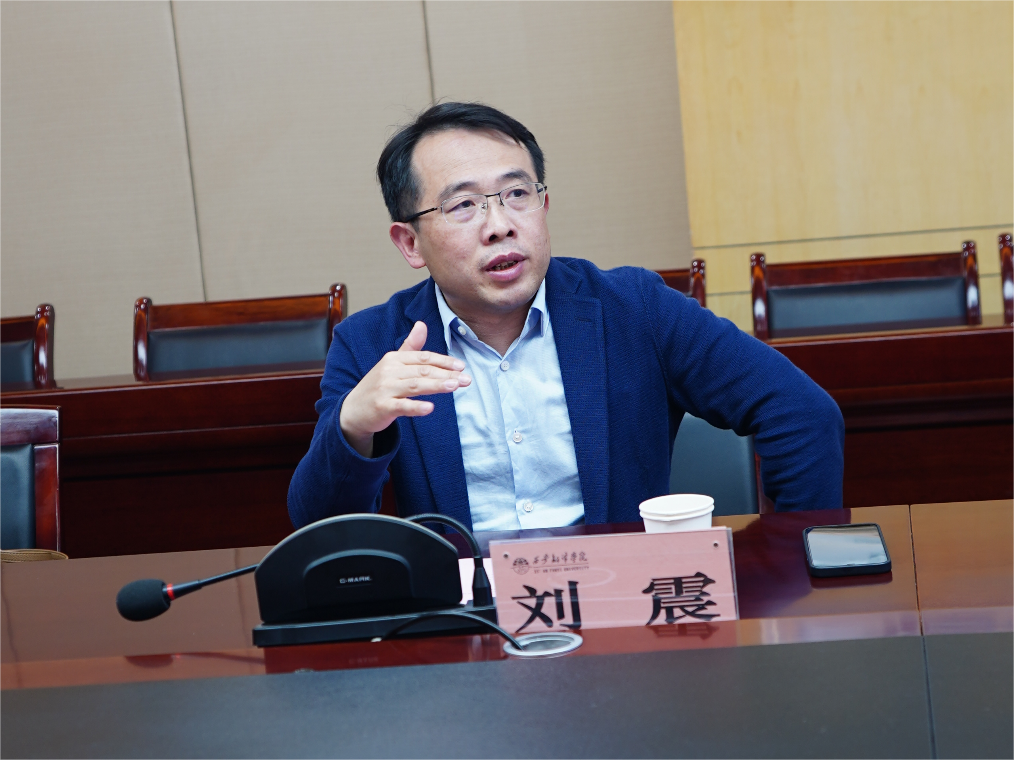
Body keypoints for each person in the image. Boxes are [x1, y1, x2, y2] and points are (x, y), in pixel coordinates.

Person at [288, 102, 844, 531]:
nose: (500, 225)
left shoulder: (635, 308)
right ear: (410, 243)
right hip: (467, 624)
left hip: (622, 611)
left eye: (517, 193)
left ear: (543, 206)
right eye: (463, 205)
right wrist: (353, 427)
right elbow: (319, 529)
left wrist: (788, 559)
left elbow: (802, 414)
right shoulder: (372, 345)